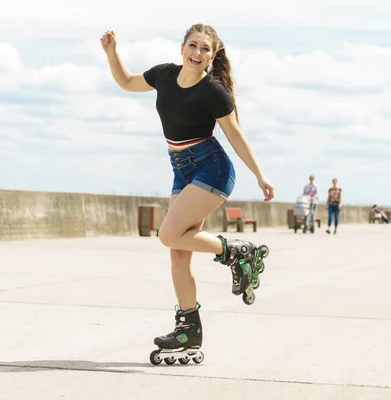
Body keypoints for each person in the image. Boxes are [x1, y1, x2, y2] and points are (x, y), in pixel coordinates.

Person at [100, 24, 274, 355]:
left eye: (205, 49)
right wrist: (112, 53)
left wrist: (259, 174)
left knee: (167, 234)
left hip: (212, 168)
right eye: (193, 45)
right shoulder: (164, 76)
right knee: (178, 252)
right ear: (181, 48)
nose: (197, 53)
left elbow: (235, 135)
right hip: (181, 170)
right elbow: (126, 81)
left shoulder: (214, 92)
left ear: (212, 55)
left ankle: (236, 251)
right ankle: (189, 330)